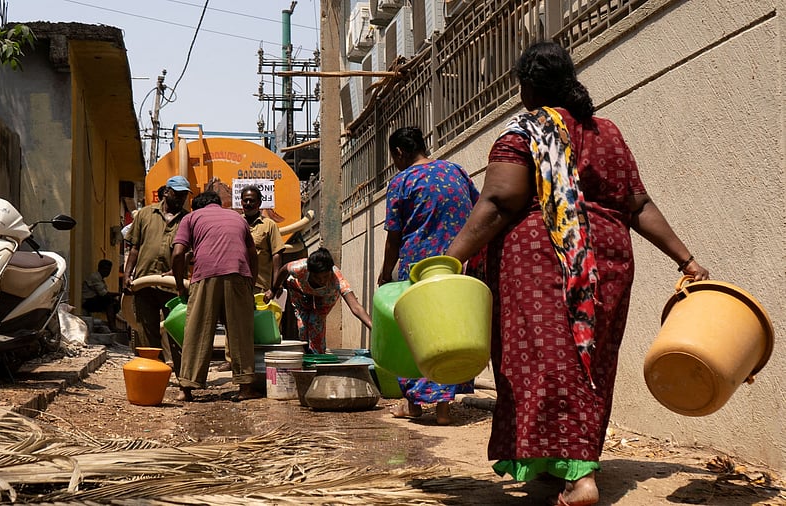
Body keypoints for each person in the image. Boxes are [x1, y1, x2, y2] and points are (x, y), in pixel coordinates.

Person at [444, 41, 710, 506]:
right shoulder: (607, 133)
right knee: (590, 363)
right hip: (608, 260)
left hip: (542, 258)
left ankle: (579, 477)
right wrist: (686, 259)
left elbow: (499, 201)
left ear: (527, 86)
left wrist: (450, 259)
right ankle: (562, 463)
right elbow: (638, 204)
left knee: (544, 362)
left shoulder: (524, 132)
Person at [376, 126, 480, 426]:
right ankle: (444, 410)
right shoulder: (455, 171)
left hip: (419, 267)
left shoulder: (402, 181)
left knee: (416, 332)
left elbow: (394, 236)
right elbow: (477, 208)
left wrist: (385, 274)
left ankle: (414, 406)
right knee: (449, 330)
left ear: (399, 152)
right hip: (455, 264)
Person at [171, 191, 262, 402]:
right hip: (239, 274)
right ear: (218, 205)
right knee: (240, 331)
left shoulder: (191, 218)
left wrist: (179, 286)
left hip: (205, 275)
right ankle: (245, 388)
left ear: (197, 207)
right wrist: (250, 283)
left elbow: (177, 254)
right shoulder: (237, 218)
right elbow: (252, 254)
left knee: (197, 330)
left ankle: (186, 388)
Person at [211, 185, 287, 372]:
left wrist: (274, 287)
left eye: (252, 200)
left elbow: (277, 255)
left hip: (260, 287)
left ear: (260, 203)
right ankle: (231, 360)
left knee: (257, 325)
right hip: (236, 282)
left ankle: (256, 360)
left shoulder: (269, 225)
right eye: (245, 200)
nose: (248, 203)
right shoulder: (235, 222)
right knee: (232, 321)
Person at [123, 175, 191, 366]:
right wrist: (127, 275)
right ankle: (154, 370)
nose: (180, 198)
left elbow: (189, 252)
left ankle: (182, 375)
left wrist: (176, 271)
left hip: (174, 287)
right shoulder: (145, 214)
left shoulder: (188, 219)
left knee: (177, 330)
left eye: (184, 195)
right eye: (177, 194)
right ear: (167, 192)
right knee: (146, 330)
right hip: (144, 281)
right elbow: (134, 247)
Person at [264, 248, 372, 354]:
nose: (321, 281)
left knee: (315, 322)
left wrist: (373, 327)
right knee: (303, 326)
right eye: (317, 278)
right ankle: (305, 353)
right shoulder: (299, 268)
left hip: (326, 296)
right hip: (300, 291)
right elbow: (284, 269)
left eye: (325, 277)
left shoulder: (337, 280)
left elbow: (356, 307)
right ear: (309, 271)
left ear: (330, 271)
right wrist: (273, 289)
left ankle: (318, 356)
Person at [81, 259, 121, 331]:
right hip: (87, 302)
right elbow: (104, 294)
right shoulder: (95, 277)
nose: (108, 271)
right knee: (109, 302)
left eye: (109, 269)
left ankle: (112, 325)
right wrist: (119, 294)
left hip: (93, 300)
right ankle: (112, 326)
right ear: (100, 268)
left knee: (113, 302)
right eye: (106, 269)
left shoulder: (100, 279)